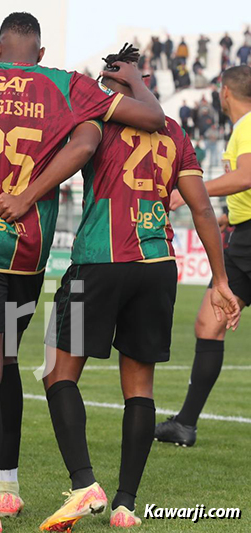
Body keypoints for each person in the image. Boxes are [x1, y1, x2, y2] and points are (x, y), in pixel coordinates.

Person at [0, 44, 239, 531]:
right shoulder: (175, 132)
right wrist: (220, 278)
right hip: (158, 267)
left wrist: (25, 197)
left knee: (56, 373)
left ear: (112, 84)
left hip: (102, 262)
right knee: (140, 387)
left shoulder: (98, 119)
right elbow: (202, 209)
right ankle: (126, 505)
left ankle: (85, 484)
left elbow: (78, 152)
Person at [0, 13, 165, 529]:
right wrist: (131, 79)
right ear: (38, 53)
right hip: (30, 248)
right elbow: (142, 124)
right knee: (9, 358)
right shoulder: (66, 85)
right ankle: (11, 486)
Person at [158, 65, 251, 446]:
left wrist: (192, 189)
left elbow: (246, 176)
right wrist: (231, 215)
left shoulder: (247, 125)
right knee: (208, 323)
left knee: (210, 321)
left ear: (224, 91)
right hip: (242, 236)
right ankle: (186, 424)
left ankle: (186, 423)